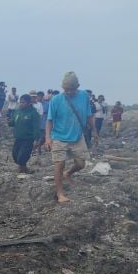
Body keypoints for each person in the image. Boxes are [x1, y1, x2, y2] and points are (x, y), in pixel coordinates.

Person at [45, 72, 98, 204]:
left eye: (71, 89)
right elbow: (49, 120)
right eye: (66, 89)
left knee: (81, 164)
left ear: (78, 86)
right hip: (59, 137)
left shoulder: (84, 96)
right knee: (59, 163)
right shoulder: (56, 100)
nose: (68, 92)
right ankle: (60, 193)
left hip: (77, 136)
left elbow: (90, 115)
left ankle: (68, 173)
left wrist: (95, 131)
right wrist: (47, 138)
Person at [9, 94, 42, 173]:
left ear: (28, 103)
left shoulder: (33, 113)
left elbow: (36, 127)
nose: (21, 104)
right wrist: (9, 122)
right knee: (15, 156)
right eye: (20, 102)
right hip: (18, 138)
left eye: (23, 102)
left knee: (22, 157)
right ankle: (25, 169)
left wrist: (36, 140)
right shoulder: (17, 112)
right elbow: (13, 122)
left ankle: (23, 171)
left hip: (28, 139)